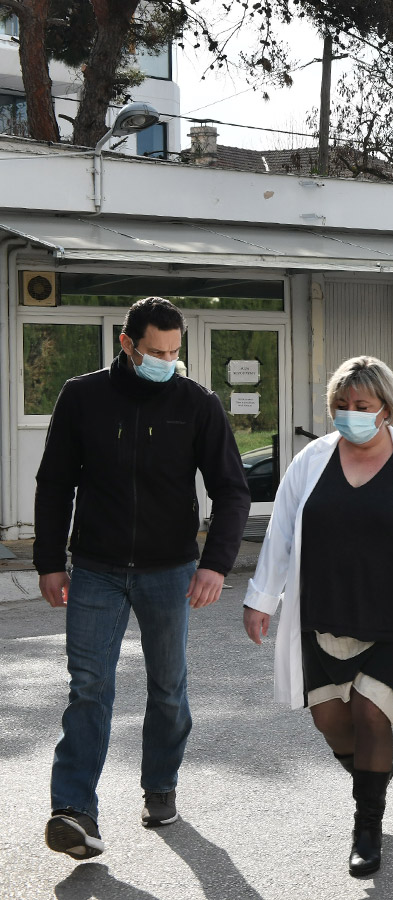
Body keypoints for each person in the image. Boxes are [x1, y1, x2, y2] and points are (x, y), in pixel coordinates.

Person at [242, 356, 393, 877]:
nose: (350, 413)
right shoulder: (311, 461)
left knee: (372, 714)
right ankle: (371, 781)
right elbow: (281, 531)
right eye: (341, 405)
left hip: (392, 615)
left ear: (386, 408)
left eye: (362, 405)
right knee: (330, 720)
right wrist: (260, 598)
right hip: (322, 610)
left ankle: (367, 825)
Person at [36, 297, 251, 860]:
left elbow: (232, 489)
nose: (167, 361)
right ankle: (73, 811)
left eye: (175, 352)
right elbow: (54, 482)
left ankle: (160, 786)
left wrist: (215, 564)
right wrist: (49, 561)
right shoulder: (82, 396)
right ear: (127, 344)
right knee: (88, 687)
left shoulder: (197, 402)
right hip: (96, 569)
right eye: (156, 351)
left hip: (170, 570)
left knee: (168, 688)